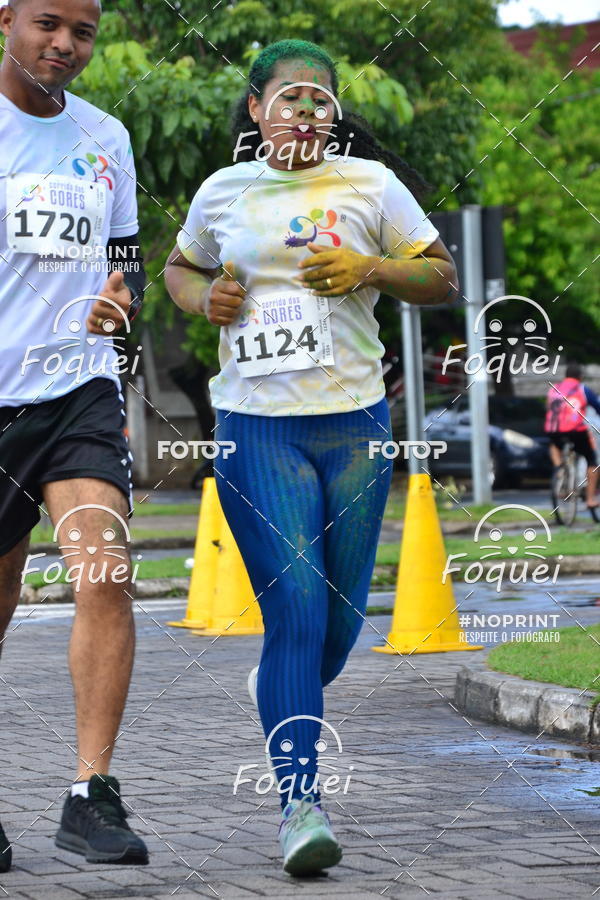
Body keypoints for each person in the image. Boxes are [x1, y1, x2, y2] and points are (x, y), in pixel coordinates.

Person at [165, 39, 458, 877]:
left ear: (336, 115)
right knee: (295, 611)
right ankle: (301, 803)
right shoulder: (225, 190)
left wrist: (371, 266)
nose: (305, 113)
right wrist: (206, 296)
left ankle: (281, 691)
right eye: (288, 98)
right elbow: (181, 271)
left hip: (356, 427)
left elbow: (439, 276)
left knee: (338, 624)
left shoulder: (371, 184)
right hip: (257, 428)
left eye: (321, 100)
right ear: (256, 109)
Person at [0, 0, 148, 870]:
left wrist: (119, 297)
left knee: (106, 571)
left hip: (77, 388)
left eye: (82, 33)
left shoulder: (107, 137)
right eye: (47, 24)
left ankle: (91, 794)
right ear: (7, 17)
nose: (64, 46)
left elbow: (126, 253)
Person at [545, 362, 600, 508]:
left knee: (553, 445)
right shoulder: (582, 389)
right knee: (592, 460)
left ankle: (560, 471)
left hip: (553, 430)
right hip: (576, 431)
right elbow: (597, 407)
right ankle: (590, 499)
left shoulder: (554, 389)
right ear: (580, 377)